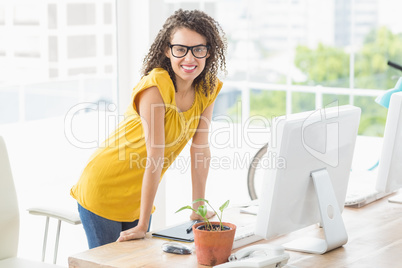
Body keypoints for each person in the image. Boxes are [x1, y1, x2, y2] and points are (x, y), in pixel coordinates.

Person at [70, 9, 227, 249]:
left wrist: (199, 206)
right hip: (104, 187)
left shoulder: (208, 88)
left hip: (138, 197)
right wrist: (144, 224)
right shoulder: (156, 85)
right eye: (180, 49)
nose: (189, 58)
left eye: (198, 49)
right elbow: (156, 154)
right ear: (167, 50)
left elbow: (200, 150)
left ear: (209, 52)